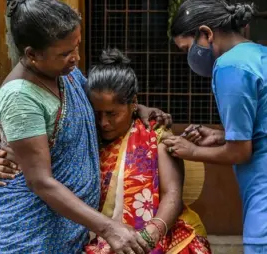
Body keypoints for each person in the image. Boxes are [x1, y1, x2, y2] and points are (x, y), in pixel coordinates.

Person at [0, 0, 170, 254]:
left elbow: (93, 105)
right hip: (30, 230)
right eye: (65, 52)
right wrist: (108, 228)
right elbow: (40, 181)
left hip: (68, 224)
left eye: (76, 46)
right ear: (32, 55)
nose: (75, 57)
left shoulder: (64, 72)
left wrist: (138, 108)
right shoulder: (20, 98)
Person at [164, 0, 267, 254]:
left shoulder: (230, 66)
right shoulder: (264, 55)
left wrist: (192, 152)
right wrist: (220, 135)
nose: (189, 58)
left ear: (206, 34)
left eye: (187, 49)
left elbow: (240, 151)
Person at [81, 49, 211, 253]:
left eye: (112, 114)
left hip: (158, 233)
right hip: (104, 237)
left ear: (134, 103)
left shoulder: (155, 134)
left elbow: (172, 193)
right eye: (97, 114)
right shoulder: (87, 136)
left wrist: (151, 233)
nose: (103, 122)